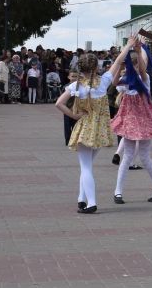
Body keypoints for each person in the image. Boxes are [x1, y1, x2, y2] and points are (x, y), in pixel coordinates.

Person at [55, 38, 134, 214]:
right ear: (95, 67)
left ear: (80, 69)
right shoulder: (104, 80)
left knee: (85, 168)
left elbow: (59, 103)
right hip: (100, 129)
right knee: (87, 166)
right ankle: (81, 199)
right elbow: (118, 60)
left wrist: (74, 115)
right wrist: (128, 46)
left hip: (85, 129)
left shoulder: (76, 86)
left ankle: (91, 202)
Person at [111, 40, 152, 205]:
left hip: (143, 119)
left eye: (136, 64)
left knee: (144, 156)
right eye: (133, 64)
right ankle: (118, 192)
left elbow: (144, 71)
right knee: (128, 155)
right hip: (130, 119)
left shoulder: (144, 79)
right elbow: (114, 83)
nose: (135, 67)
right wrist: (121, 66)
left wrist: (137, 50)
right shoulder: (125, 78)